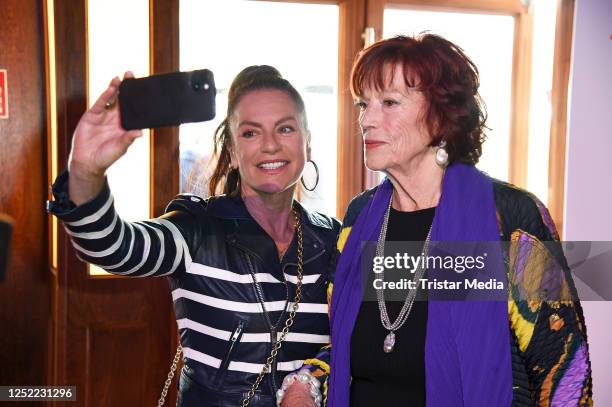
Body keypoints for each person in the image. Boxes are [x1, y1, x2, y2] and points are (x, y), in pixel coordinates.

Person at [280, 34, 592, 406]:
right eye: (363, 104)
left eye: (389, 102)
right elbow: (368, 350)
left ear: (441, 117)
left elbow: (564, 374)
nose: (366, 119)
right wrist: (306, 382)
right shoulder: (361, 220)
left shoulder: (509, 219)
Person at [46, 65, 340, 406]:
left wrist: (308, 382)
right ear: (231, 152)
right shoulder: (196, 229)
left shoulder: (334, 239)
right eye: (250, 133)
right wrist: (86, 170)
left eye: (285, 129)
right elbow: (113, 246)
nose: (270, 145)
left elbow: (363, 340)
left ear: (307, 143)